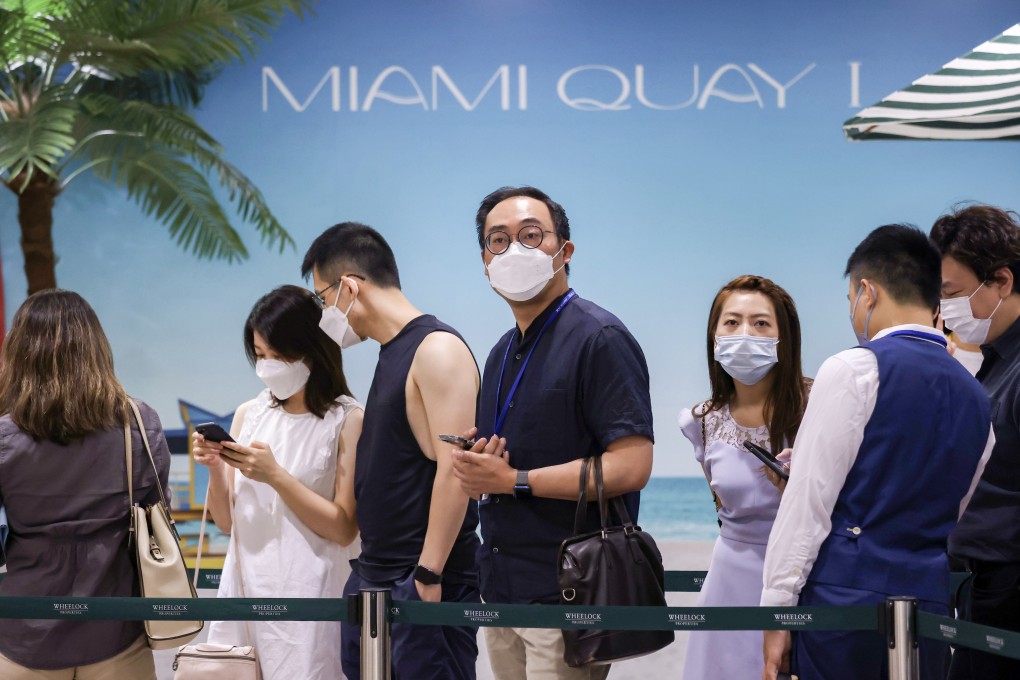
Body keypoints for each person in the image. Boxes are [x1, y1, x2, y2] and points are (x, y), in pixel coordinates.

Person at [760, 225, 995, 680]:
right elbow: (956, 506)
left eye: (851, 298)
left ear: (866, 292)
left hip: (844, 603)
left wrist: (776, 612)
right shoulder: (977, 397)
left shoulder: (855, 368)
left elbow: (808, 504)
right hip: (927, 605)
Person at [450, 186, 654, 680]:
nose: (513, 249)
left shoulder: (599, 338)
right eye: (498, 240)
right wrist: (481, 467)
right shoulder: (501, 352)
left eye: (531, 235)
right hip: (499, 588)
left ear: (564, 251)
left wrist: (516, 480)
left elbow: (632, 465)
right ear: (484, 261)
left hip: (567, 594)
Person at [301, 222, 481, 680]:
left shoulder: (437, 349)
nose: (326, 312)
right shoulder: (391, 352)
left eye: (323, 298)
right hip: (375, 578)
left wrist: (429, 576)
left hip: (417, 581)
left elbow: (454, 472)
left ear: (347, 286)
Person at [193, 285, 362, 680]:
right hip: (247, 587)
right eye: (261, 355)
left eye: (279, 356)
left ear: (313, 349)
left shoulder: (347, 419)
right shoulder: (249, 414)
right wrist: (217, 468)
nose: (268, 366)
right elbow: (228, 524)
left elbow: (343, 527)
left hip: (313, 596)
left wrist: (275, 476)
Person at [0, 290, 169, 679]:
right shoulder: (138, 423)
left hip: (24, 633)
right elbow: (159, 517)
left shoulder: (6, 436)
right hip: (117, 630)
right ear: (95, 346)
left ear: (22, 351)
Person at [680, 275, 809, 680]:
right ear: (714, 336)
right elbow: (723, 510)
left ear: (783, 338)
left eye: (761, 324)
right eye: (731, 323)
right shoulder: (697, 421)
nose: (744, 333)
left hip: (804, 579)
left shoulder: (820, 404)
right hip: (728, 582)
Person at [929, 204, 1020, 680]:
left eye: (953, 293)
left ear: (1001, 281)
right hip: (976, 581)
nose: (945, 311)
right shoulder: (990, 365)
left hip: (1009, 589)